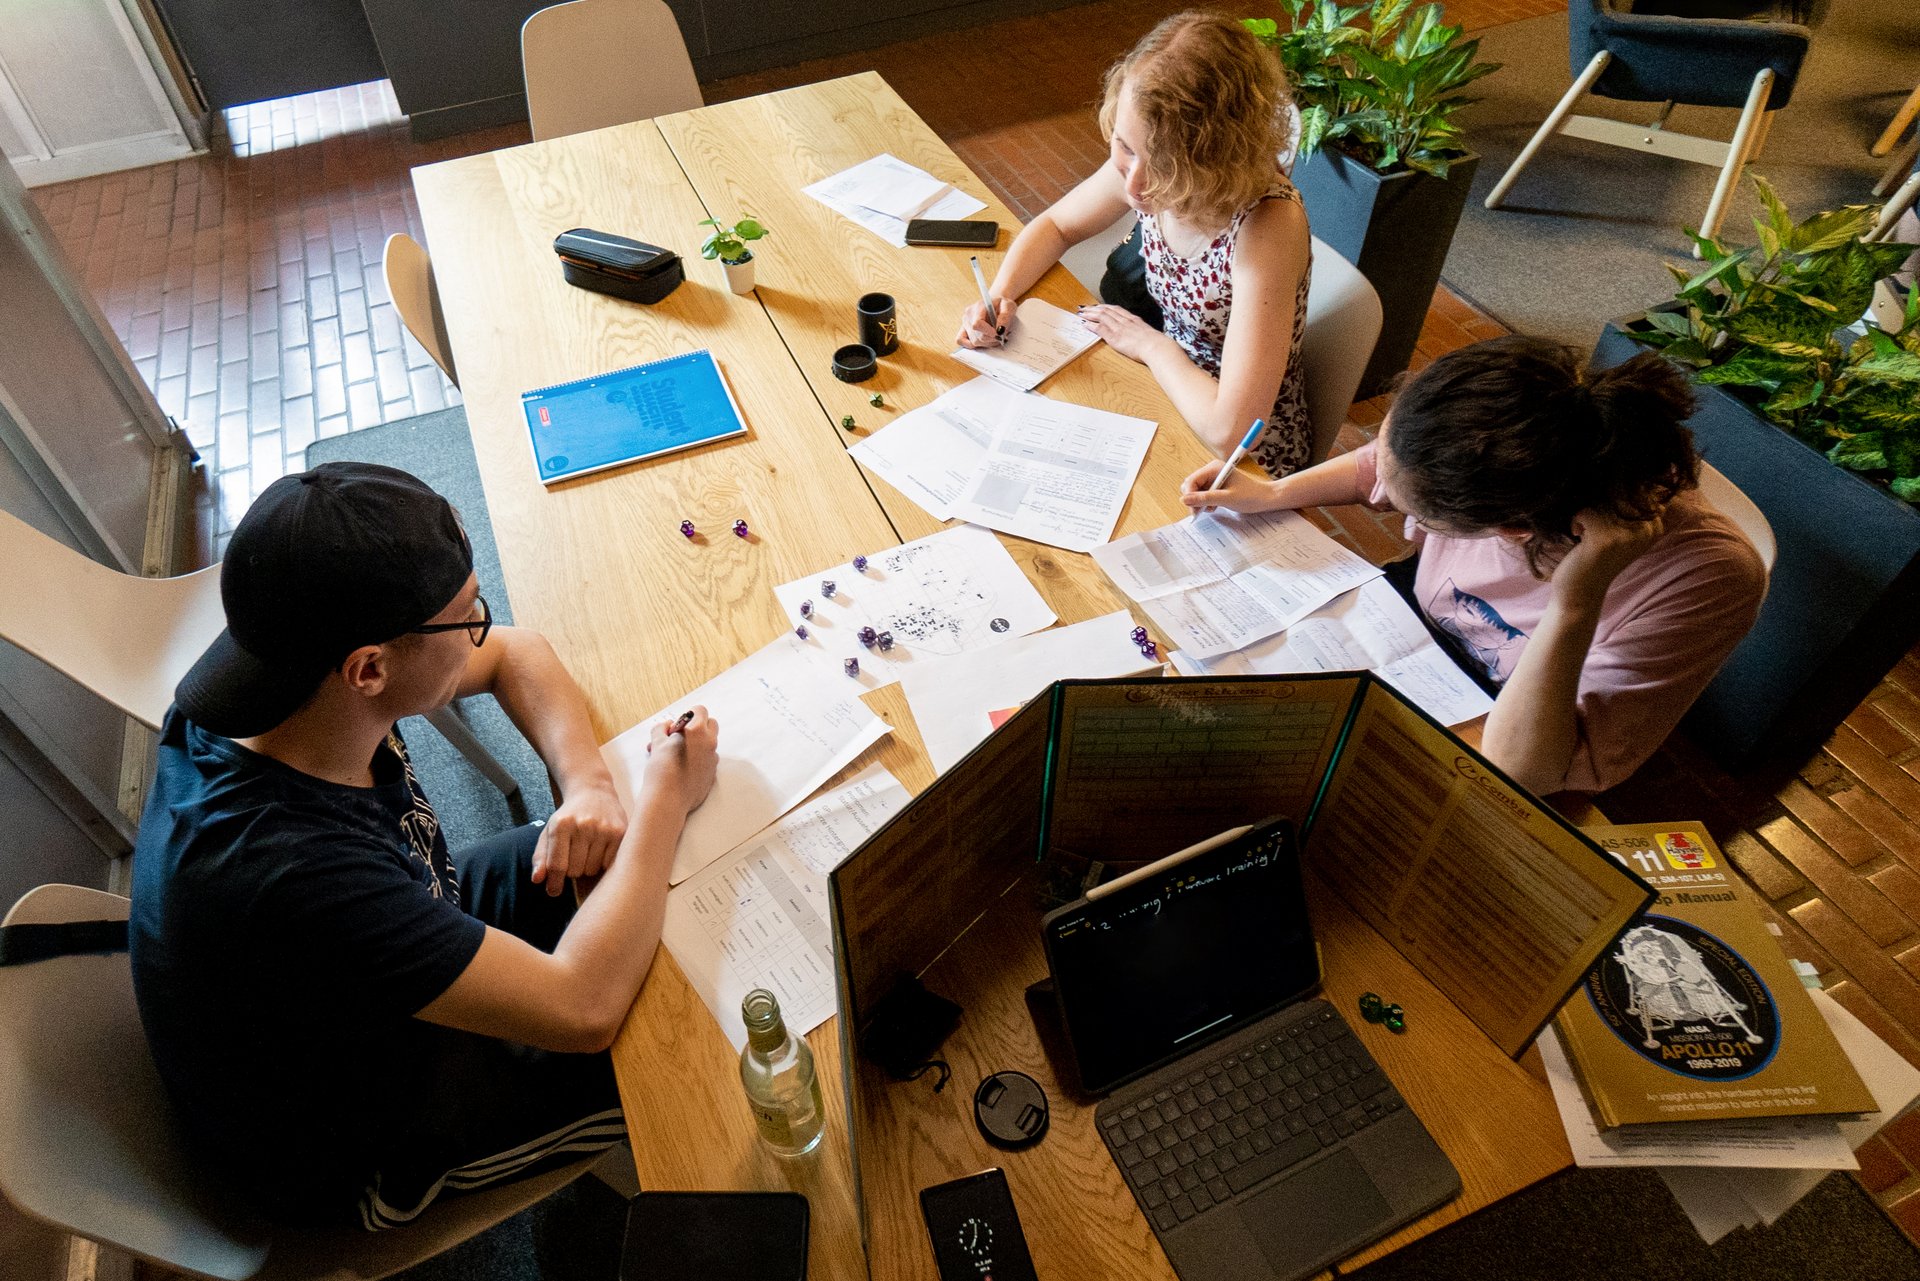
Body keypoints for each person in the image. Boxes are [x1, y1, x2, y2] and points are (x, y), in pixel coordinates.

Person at [129, 462, 719, 1230]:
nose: (480, 629)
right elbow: (584, 1008)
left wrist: (593, 789)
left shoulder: (284, 670)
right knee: (685, 1067)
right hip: (377, 1141)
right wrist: (666, 798)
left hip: (394, 935)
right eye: (465, 618)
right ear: (369, 668)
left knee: (624, 866)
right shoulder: (289, 874)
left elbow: (518, 652)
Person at [1180, 337, 1767, 796]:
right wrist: (1276, 493)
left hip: (1508, 714)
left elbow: (1522, 772)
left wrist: (1576, 599)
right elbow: (1387, 467)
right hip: (1409, 629)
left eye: (1421, 519)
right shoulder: (1528, 427)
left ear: (1513, 531)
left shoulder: (1708, 580)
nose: (1386, 494)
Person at [956, 10, 1315, 476]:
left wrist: (1152, 346)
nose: (1134, 186)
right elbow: (1057, 227)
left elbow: (1234, 430)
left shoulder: (1268, 224)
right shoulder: (1147, 160)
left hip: (1244, 463)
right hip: (1166, 391)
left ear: (1216, 158)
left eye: (1163, 165)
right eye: (1125, 147)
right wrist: (999, 296)